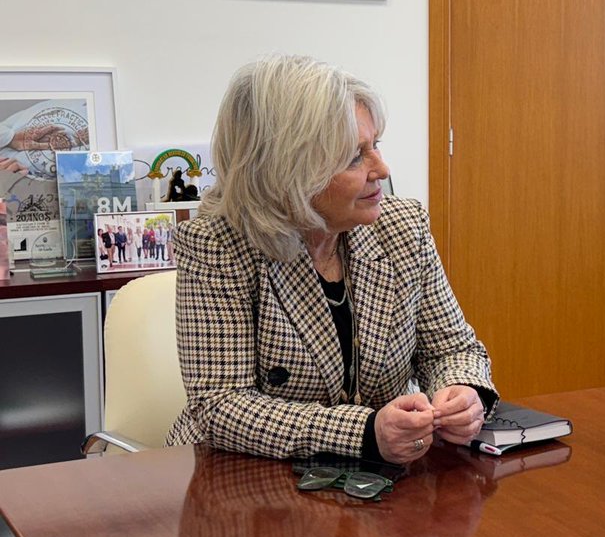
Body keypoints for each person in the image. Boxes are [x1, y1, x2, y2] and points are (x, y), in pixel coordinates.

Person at [165, 56, 496, 464]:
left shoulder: (402, 227)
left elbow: (452, 349)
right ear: (288, 171)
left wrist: (464, 393)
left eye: (375, 146)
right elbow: (220, 406)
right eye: (355, 158)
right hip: (247, 482)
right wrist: (364, 432)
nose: (382, 169)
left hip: (382, 482)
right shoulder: (217, 245)